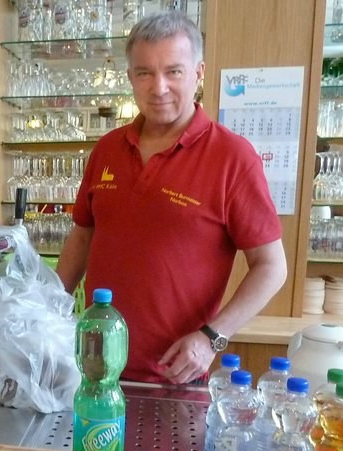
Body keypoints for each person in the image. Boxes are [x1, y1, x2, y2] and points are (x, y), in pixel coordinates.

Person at [56, 12, 287, 385]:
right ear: (130, 77)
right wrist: (45, 312)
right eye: (144, 73)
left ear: (198, 73)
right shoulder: (107, 149)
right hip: (92, 369)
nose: (158, 87)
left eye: (173, 72)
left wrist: (212, 338)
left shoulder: (233, 158)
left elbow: (272, 266)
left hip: (175, 376)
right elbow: (82, 237)